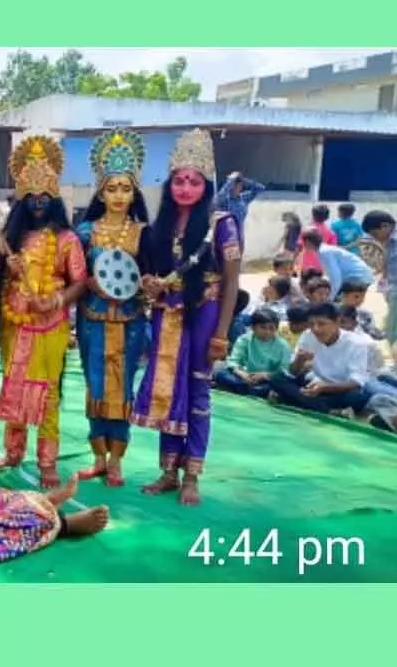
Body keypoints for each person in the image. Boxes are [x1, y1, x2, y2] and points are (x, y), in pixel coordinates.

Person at [132, 129, 241, 507]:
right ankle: (167, 471)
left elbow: (231, 281)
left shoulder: (221, 222)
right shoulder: (161, 224)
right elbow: (156, 273)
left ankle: (191, 475)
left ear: (206, 184)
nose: (185, 188)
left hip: (204, 315)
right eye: (179, 180)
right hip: (167, 316)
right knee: (167, 391)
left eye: (194, 182)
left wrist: (222, 334)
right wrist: (150, 284)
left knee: (196, 393)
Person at [0, 136, 86, 489]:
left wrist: (56, 301)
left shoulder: (68, 239)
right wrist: (5, 268)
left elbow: (80, 281)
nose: (38, 203)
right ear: (23, 200)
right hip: (16, 322)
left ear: (53, 199)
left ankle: (47, 461)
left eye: (44, 198)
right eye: (32, 197)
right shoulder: (15, 235)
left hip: (51, 325)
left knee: (47, 392)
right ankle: (13, 453)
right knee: (14, 386)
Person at [72, 129, 152, 487]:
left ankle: (117, 460)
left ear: (134, 192)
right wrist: (87, 282)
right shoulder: (85, 231)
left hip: (130, 320)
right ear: (100, 192)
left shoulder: (144, 233)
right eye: (111, 188)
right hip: (92, 318)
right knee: (95, 387)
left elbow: (151, 275)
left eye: (125, 188)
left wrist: (148, 288)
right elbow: (72, 275)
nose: (119, 195)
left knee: (123, 390)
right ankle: (98, 457)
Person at [267, 302, 370, 418]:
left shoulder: (356, 344)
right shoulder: (308, 335)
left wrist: (324, 387)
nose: (316, 329)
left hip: (338, 390)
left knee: (358, 397)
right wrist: (299, 360)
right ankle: (328, 410)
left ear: (337, 322)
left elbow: (356, 382)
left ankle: (294, 400)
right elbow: (292, 372)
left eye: (321, 324)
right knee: (277, 378)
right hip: (312, 385)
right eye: (311, 324)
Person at [213, 309, 290, 398]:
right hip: (244, 377)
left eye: (271, 328)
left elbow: (284, 371)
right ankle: (253, 391)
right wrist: (242, 374)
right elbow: (233, 362)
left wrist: (265, 375)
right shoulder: (244, 339)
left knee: (282, 385)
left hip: (267, 380)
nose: (267, 332)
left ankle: (246, 390)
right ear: (253, 327)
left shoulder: (283, 345)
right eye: (263, 327)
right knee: (221, 374)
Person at [360, 210, 397, 343]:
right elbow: (388, 264)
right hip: (393, 287)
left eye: (375, 234)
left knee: (392, 328)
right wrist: (385, 284)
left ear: (385, 226)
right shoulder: (388, 240)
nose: (375, 238)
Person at [300, 229, 372, 297]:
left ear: (308, 242)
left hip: (359, 277)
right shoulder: (323, 250)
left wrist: (330, 298)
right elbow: (330, 276)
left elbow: (335, 279)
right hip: (359, 276)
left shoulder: (324, 252)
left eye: (304, 243)